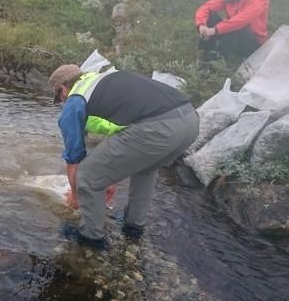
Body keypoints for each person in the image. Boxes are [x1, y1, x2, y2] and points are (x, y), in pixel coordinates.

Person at [50, 65, 199, 248]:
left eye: (59, 97)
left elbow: (74, 157)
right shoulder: (103, 81)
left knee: (87, 175)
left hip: (158, 128)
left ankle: (90, 238)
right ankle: (133, 227)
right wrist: (108, 178)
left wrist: (75, 195)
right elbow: (120, 131)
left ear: (63, 89)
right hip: (190, 121)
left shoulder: (75, 101)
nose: (62, 102)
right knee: (145, 169)